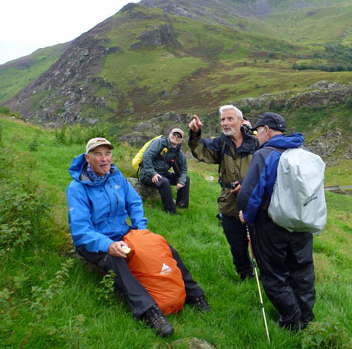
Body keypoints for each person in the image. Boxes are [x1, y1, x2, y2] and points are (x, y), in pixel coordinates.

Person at [66, 137, 210, 338]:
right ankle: (149, 312)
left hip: (123, 233)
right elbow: (81, 231)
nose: (104, 159)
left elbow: (134, 203)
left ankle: (194, 294)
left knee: (163, 246)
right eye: (98, 154)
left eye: (107, 154)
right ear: (87, 157)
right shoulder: (77, 188)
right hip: (94, 242)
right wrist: (108, 245)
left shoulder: (116, 177)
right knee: (117, 261)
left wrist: (141, 231)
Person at [237, 112, 316, 331]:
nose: (256, 136)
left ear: (266, 130)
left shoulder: (265, 154)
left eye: (258, 131)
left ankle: (290, 321)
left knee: (274, 274)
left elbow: (249, 195)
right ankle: (306, 319)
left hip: (270, 225)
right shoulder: (303, 152)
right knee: (302, 271)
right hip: (301, 223)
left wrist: (246, 215)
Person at [188, 105, 259, 280]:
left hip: (254, 201)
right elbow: (200, 151)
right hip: (229, 202)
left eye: (230, 119)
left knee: (260, 242)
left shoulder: (256, 143)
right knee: (236, 244)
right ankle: (245, 275)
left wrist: (246, 184)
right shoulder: (221, 143)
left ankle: (268, 275)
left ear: (241, 122)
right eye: (222, 120)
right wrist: (195, 134)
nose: (225, 123)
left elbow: (266, 170)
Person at [139, 127, 190, 214]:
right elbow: (147, 157)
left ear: (181, 140)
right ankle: (170, 211)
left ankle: (182, 204)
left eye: (179, 136)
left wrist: (181, 181)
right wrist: (153, 173)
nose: (176, 137)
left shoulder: (178, 152)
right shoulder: (159, 143)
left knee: (186, 179)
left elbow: (184, 169)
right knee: (164, 182)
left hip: (163, 174)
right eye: (174, 134)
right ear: (169, 135)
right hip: (147, 174)